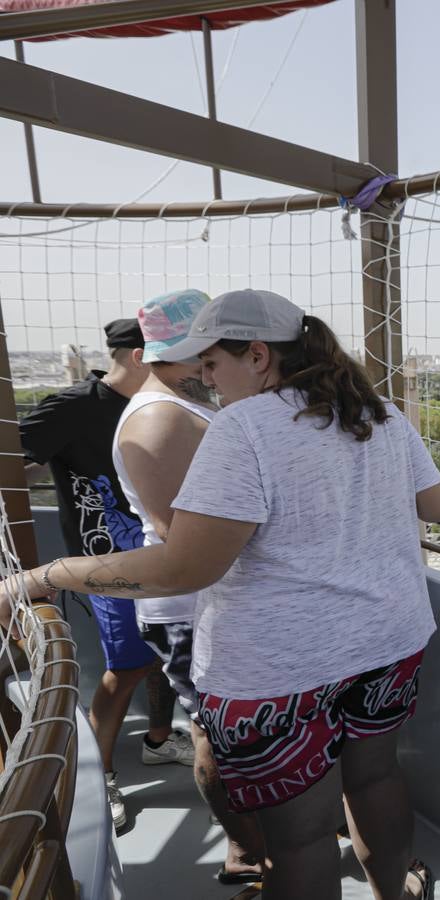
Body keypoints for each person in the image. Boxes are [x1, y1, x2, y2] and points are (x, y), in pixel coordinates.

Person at [5, 289, 440, 900]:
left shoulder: (246, 426)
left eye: (213, 363)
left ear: (259, 355)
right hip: (388, 637)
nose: (206, 381)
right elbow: (437, 505)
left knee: (299, 839)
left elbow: (184, 567)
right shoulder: (376, 412)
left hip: (282, 665)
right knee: (375, 780)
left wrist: (45, 576)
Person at [111, 289, 265, 886]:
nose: (209, 365)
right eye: (199, 354)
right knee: (214, 733)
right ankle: (247, 851)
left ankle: (258, 839)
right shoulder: (161, 418)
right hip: (191, 605)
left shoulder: (180, 405)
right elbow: (185, 538)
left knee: (226, 729)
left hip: (210, 599)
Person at [19, 318, 193, 830]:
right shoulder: (75, 406)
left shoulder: (167, 405)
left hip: (166, 556)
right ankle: (101, 776)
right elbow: (17, 460)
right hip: (108, 561)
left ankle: (159, 741)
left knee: (163, 651)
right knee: (127, 668)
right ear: (141, 356)